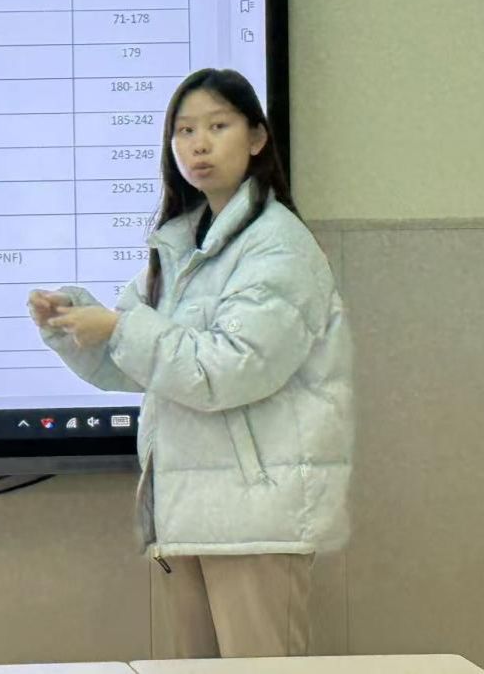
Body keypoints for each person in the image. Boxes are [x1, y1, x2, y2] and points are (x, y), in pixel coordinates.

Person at [28, 68, 353, 659]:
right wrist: (73, 322)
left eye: (217, 126)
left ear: (257, 138)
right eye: (184, 131)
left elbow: (226, 371)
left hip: (257, 518)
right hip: (191, 513)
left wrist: (119, 327)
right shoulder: (182, 245)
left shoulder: (278, 245)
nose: (198, 145)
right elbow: (135, 365)